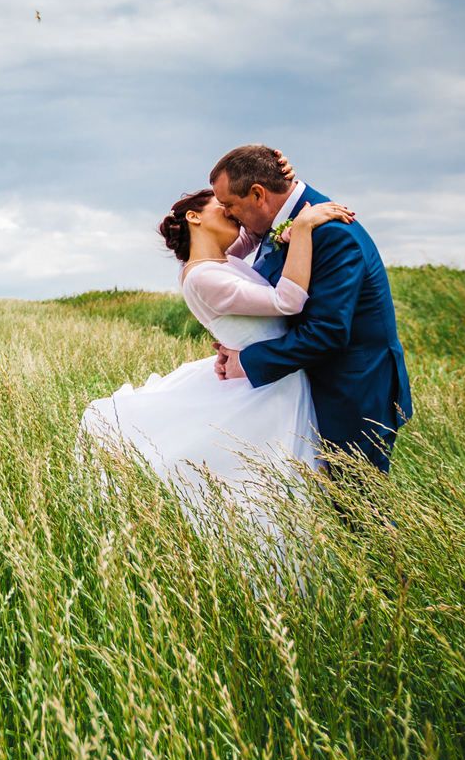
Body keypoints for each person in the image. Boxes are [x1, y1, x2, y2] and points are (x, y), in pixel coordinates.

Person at [78, 166, 355, 523]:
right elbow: (288, 302)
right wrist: (301, 229)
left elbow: (257, 232)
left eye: (233, 209)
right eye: (223, 209)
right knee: (264, 495)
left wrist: (281, 175)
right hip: (266, 391)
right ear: (194, 216)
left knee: (278, 492)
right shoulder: (204, 276)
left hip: (272, 379)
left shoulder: (221, 260)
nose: (232, 214)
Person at [207, 145, 412, 477]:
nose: (229, 214)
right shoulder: (279, 222)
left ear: (258, 194)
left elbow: (327, 331)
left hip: (351, 395)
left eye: (230, 205)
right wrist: (238, 346)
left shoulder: (330, 232)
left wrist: (246, 362)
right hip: (313, 388)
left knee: (357, 508)